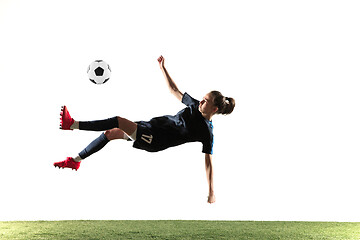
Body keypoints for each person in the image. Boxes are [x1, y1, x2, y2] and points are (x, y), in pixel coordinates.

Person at [54, 56, 235, 204]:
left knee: (119, 121)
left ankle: (72, 124)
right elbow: (174, 90)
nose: (201, 101)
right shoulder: (195, 106)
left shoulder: (206, 132)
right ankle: (75, 161)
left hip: (156, 138)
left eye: (206, 101)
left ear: (214, 109)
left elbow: (209, 163)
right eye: (202, 98)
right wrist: (163, 68)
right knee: (110, 133)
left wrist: (211, 192)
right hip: (151, 126)